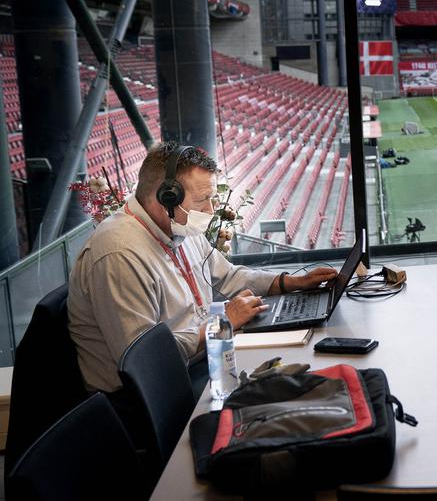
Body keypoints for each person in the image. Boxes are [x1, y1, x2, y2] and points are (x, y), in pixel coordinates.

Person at [68, 142, 337, 393]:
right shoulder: (119, 255)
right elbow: (145, 358)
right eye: (202, 200)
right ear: (167, 198)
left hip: (198, 361)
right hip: (151, 397)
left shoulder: (179, 225)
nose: (210, 211)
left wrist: (290, 283)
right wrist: (221, 324)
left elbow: (228, 276)